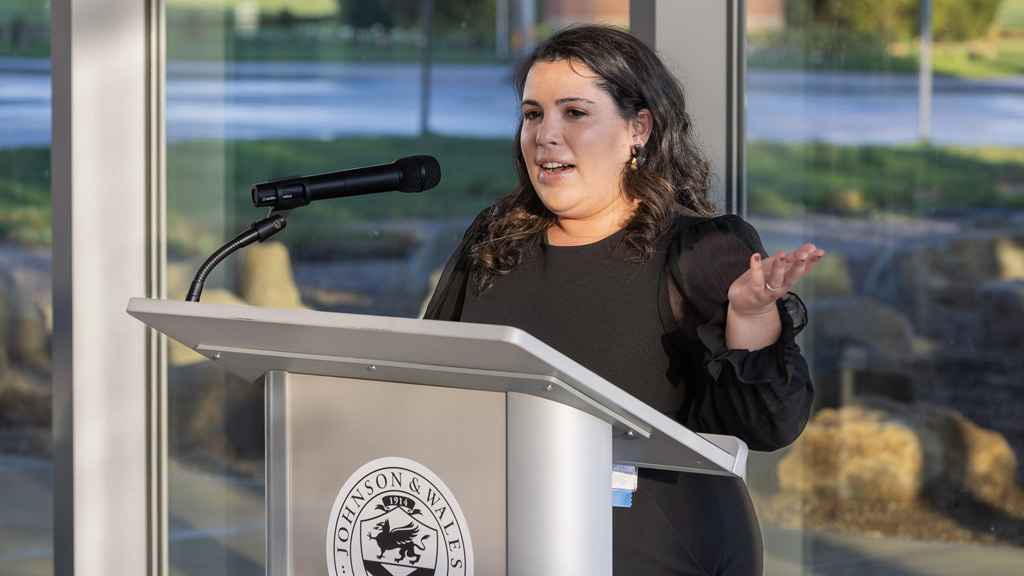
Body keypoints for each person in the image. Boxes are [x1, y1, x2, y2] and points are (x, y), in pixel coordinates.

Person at [424, 23, 823, 575]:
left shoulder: (702, 248)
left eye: (575, 113)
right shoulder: (496, 239)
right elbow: (431, 385)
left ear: (639, 129)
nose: (545, 134)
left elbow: (766, 426)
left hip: (659, 551)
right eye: (533, 113)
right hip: (503, 543)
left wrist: (752, 317)